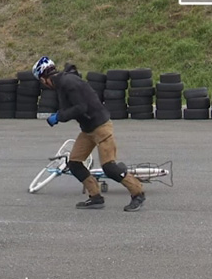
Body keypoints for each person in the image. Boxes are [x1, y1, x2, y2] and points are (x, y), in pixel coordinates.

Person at [32, 56, 146, 211]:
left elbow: (81, 107)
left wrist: (59, 116)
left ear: (44, 78)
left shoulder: (67, 83)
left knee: (109, 167)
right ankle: (95, 197)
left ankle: (138, 193)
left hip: (101, 126)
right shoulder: (63, 83)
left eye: (41, 82)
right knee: (74, 163)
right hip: (88, 128)